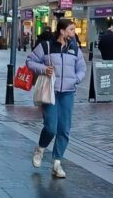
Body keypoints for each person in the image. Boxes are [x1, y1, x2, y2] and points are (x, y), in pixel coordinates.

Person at [27, 19, 86, 178]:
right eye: (72, 30)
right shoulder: (46, 46)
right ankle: (40, 149)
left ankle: (57, 163)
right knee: (51, 127)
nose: (74, 33)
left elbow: (82, 68)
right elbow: (30, 61)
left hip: (67, 93)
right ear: (62, 31)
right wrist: (43, 68)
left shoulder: (75, 48)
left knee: (64, 129)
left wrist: (76, 79)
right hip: (50, 91)